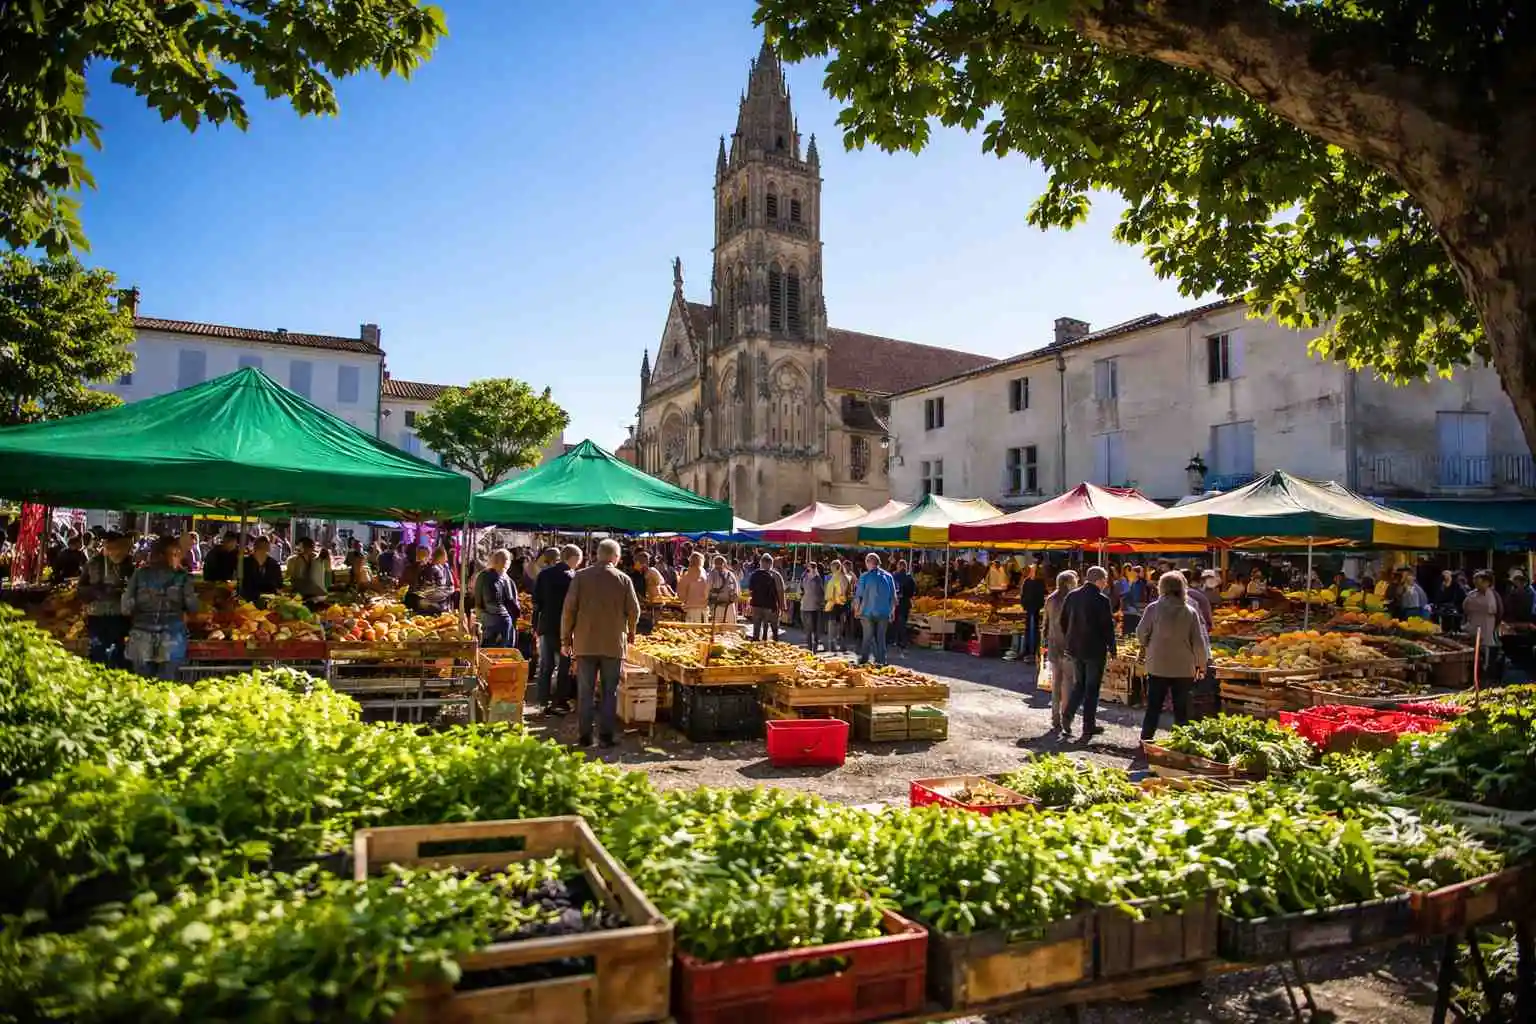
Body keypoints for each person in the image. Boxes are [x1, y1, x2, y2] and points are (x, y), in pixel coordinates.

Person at [561, 538, 640, 747]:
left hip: (585, 643)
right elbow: (634, 611)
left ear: (598, 555)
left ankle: (585, 736)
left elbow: (568, 610)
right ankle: (606, 736)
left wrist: (565, 639)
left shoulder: (580, 576)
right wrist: (631, 632)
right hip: (613, 644)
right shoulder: (623, 579)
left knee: (585, 692)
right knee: (609, 692)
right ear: (615, 557)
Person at [1136, 572, 1211, 741]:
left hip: (1158, 666)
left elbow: (1141, 633)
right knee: (1181, 709)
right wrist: (1201, 665)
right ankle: (1181, 741)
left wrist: (1149, 643)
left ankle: (1146, 739)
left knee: (1153, 706)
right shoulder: (1190, 611)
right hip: (1184, 668)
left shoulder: (1153, 608)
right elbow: (1198, 642)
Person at [121, 535, 200, 679]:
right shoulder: (183, 577)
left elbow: (125, 607)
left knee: (142, 687)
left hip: (141, 637)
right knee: (166, 688)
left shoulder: (140, 574)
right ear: (175, 553)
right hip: (172, 638)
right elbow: (193, 607)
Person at [1059, 566, 1117, 741]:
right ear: (1099, 580)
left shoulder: (1072, 596)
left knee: (1080, 685)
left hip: (1075, 648)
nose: (1106, 583)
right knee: (1092, 689)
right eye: (1105, 580)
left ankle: (1067, 715)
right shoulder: (1101, 600)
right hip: (1094, 649)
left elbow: (1063, 621)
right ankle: (1087, 727)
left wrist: (1070, 639)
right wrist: (1112, 648)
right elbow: (1107, 627)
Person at [532, 544, 582, 714]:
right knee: (563, 665)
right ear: (573, 558)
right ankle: (560, 701)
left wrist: (535, 626)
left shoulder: (544, 574)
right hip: (564, 628)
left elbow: (536, 602)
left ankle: (542, 700)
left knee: (546, 665)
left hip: (545, 625)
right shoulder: (573, 578)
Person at [79, 531, 135, 667]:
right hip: (98, 616)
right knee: (99, 653)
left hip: (120, 615)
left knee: (120, 653)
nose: (119, 553)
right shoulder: (93, 564)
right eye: (114, 549)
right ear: (107, 547)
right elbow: (81, 590)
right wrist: (98, 591)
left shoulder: (128, 564)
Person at [1042, 570, 1077, 733]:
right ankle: (1066, 718)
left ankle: (1055, 717)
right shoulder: (1072, 599)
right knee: (1068, 684)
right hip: (1068, 648)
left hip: (1054, 645)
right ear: (1069, 583)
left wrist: (1044, 642)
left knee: (1056, 683)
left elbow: (1045, 624)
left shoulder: (1050, 599)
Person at [854, 552, 897, 667]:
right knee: (881, 637)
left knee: (867, 637)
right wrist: (892, 612)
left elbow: (858, 596)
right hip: (884, 612)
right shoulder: (888, 576)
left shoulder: (864, 577)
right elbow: (893, 597)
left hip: (867, 612)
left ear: (868, 562)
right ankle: (881, 660)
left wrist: (856, 610)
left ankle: (864, 660)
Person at [474, 548, 521, 648]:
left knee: (497, 653)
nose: (507, 563)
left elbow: (514, 604)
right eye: (506, 560)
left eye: (508, 560)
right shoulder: (485, 576)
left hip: (498, 621)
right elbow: (483, 601)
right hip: (493, 621)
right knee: (495, 651)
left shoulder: (507, 580)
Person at [1009, 564, 1048, 662]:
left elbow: (1042, 594)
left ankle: (1032, 650)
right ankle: (1029, 651)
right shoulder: (1026, 581)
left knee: (1033, 629)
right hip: (1029, 608)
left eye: (1033, 570)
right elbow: (1023, 594)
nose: (1031, 572)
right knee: (1030, 629)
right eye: (1031, 570)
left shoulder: (1040, 582)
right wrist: (1024, 605)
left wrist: (1039, 605)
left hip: (1036, 608)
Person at [748, 554, 786, 641]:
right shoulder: (776, 575)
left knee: (756, 628)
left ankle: (756, 644)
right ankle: (774, 643)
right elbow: (780, 591)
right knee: (774, 627)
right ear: (771, 564)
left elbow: (750, 590)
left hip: (756, 605)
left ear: (761, 563)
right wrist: (782, 606)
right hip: (771, 606)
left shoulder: (754, 574)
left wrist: (751, 604)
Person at [240, 536, 286, 602]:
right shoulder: (245, 563)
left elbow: (279, 584)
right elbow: (242, 585)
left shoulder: (274, 565)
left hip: (269, 601)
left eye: (263, 550)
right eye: (260, 550)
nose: (262, 553)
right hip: (249, 600)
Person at [676, 551, 711, 624]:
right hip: (702, 608)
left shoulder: (688, 575)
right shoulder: (703, 573)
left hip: (693, 609)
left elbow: (681, 595)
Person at [890, 558, 917, 654]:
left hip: (896, 602)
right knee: (902, 622)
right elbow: (913, 592)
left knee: (895, 622)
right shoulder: (909, 578)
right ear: (905, 567)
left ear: (899, 566)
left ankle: (895, 640)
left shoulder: (894, 576)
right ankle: (902, 641)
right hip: (905, 602)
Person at [824, 559, 851, 652]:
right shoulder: (833, 577)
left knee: (839, 627)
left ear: (836, 567)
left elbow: (843, 591)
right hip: (833, 604)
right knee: (833, 625)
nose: (830, 568)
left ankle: (840, 645)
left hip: (840, 605)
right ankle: (833, 646)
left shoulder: (842, 577)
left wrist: (841, 598)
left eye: (832, 566)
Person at [800, 560, 826, 653]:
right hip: (806, 606)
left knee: (814, 628)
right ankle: (809, 647)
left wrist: (821, 602)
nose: (809, 569)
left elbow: (821, 592)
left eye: (811, 567)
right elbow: (801, 589)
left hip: (814, 607)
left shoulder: (817, 579)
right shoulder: (805, 577)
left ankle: (813, 647)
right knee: (808, 629)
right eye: (809, 567)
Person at [1434, 569, 1468, 634]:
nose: (1445, 577)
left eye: (1447, 575)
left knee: (1455, 629)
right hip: (1444, 612)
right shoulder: (1441, 586)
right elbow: (1438, 597)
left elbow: (1462, 597)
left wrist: (1458, 607)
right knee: (1445, 627)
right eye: (1444, 575)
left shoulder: (1457, 586)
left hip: (1456, 613)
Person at [1120, 565, 1147, 636]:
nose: (1144, 573)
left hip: (1137, 611)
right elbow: (1123, 595)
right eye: (1141, 571)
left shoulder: (1141, 583)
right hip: (1129, 611)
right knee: (1127, 631)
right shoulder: (1125, 581)